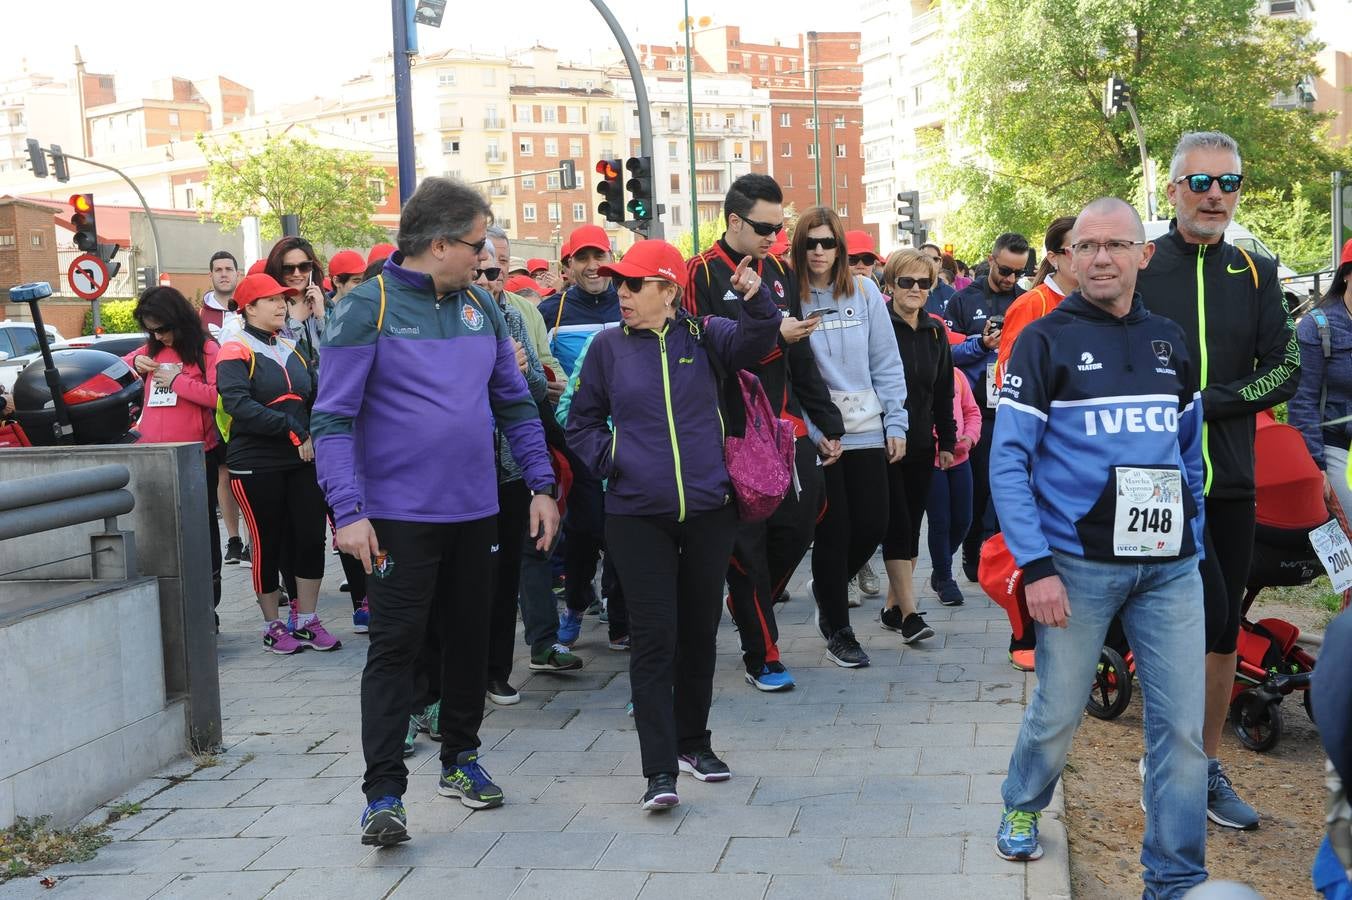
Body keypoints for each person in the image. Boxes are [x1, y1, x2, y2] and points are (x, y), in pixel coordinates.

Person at [312, 176, 558, 845]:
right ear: (441, 242)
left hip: (477, 511)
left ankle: (462, 760)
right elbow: (332, 420)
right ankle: (384, 794)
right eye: (476, 244)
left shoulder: (481, 305)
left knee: (472, 643)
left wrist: (541, 484)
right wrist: (349, 511)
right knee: (395, 648)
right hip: (396, 519)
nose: (485, 257)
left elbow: (513, 404)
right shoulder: (369, 306)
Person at [991, 197, 1208, 898]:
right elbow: (1008, 463)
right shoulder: (1043, 340)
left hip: (1170, 569)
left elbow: (1188, 451)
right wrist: (1037, 567)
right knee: (1057, 709)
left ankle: (1173, 879)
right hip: (1076, 568)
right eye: (1087, 246)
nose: (1102, 258)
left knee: (1181, 733)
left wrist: (1195, 540)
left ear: (1144, 254)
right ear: (1067, 257)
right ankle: (1023, 803)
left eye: (1117, 245)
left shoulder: (1171, 340)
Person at [566, 239, 780, 810]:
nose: (622, 293)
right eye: (620, 284)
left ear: (667, 290)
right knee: (654, 640)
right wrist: (613, 460)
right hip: (636, 517)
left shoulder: (706, 336)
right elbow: (580, 421)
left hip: (710, 512)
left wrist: (755, 300)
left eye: (634, 284)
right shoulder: (606, 348)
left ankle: (694, 744)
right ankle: (658, 769)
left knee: (699, 636)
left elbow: (760, 340)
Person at [1138, 131, 1299, 832]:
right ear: (1173, 189)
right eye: (1200, 182)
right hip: (1149, 479)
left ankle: (1201, 768)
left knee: (1221, 627)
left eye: (1228, 184)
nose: (1214, 196)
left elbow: (1285, 367)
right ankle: (1161, 764)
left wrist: (1212, 403)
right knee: (1159, 624)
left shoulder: (1258, 271)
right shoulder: (1141, 265)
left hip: (1229, 478)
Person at [683, 173, 844, 691]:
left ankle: (750, 601)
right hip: (729, 431)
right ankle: (763, 652)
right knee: (745, 546)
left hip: (785, 425)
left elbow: (801, 354)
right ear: (734, 221)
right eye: (765, 228)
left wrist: (826, 422)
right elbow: (702, 350)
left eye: (781, 227)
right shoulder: (701, 273)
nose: (775, 238)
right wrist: (771, 332)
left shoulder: (780, 270)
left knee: (804, 521)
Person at [794, 206, 908, 669]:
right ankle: (838, 631)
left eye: (828, 242)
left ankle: (826, 585)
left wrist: (896, 421)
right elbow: (795, 375)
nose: (819, 251)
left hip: (868, 430)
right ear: (799, 247)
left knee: (875, 524)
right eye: (811, 242)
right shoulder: (791, 299)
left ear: (840, 248)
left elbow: (885, 361)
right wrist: (817, 432)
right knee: (834, 530)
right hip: (823, 436)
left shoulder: (863, 293)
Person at [475, 233, 583, 708]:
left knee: (528, 554)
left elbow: (539, 388)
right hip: (465, 472)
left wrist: (521, 373)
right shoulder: (446, 319)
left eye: (495, 271)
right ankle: (454, 678)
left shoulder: (515, 315)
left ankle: (510, 662)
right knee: (478, 573)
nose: (486, 280)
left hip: (515, 464)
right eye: (478, 270)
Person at [217, 273, 337, 655]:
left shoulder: (291, 346)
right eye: (270, 300)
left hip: (302, 458)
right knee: (267, 543)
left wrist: (314, 430)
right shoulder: (234, 348)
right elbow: (238, 404)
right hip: (255, 461)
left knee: (309, 537)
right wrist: (291, 429)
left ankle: (306, 621)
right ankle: (272, 625)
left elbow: (313, 396)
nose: (281, 305)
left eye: (284, 299)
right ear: (248, 308)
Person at [990, 215, 1078, 671]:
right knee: (1033, 543)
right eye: (1075, 248)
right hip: (1040, 443)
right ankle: (1021, 633)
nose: (1089, 257)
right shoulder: (1034, 304)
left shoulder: (1099, 302)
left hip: (1081, 451)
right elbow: (1006, 373)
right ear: (1054, 257)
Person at [537, 224, 625, 648]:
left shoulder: (628, 299)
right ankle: (574, 604)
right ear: (566, 266)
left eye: (599, 256)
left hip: (630, 437)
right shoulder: (550, 312)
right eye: (582, 258)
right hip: (578, 438)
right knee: (587, 530)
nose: (593, 266)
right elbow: (538, 369)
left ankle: (620, 616)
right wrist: (550, 384)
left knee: (624, 529)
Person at [124, 287, 223, 620]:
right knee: (159, 532)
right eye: (152, 330)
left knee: (201, 529)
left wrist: (178, 381)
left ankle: (207, 604)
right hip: (151, 455)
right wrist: (136, 362)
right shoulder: (153, 349)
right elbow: (119, 368)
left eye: (163, 328)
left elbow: (219, 397)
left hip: (196, 455)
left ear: (178, 320)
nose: (159, 336)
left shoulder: (207, 350)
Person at [945, 232, 1030, 583]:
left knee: (1008, 484)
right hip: (976, 408)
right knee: (979, 485)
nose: (1010, 279)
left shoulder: (1026, 301)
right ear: (990, 260)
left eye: (1018, 272)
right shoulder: (962, 301)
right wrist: (980, 345)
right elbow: (946, 354)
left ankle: (994, 547)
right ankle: (970, 544)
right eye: (1005, 270)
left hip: (1014, 404)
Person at [880, 249, 956, 642]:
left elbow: (944, 390)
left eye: (923, 283)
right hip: (883, 441)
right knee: (897, 523)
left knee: (911, 524)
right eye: (906, 282)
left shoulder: (936, 331)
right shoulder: (879, 326)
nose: (915, 289)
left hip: (923, 441)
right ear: (890, 285)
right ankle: (910, 614)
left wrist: (948, 439)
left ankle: (893, 607)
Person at [1289, 239, 1352, 519]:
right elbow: (1302, 400)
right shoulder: (1318, 326)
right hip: (1335, 444)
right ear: (1347, 274)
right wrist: (1316, 464)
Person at [199, 250, 248, 568]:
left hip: (246, 399)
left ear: (237, 273)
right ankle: (233, 539)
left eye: (229, 268)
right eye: (217, 269)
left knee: (247, 473)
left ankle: (253, 539)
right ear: (211, 275)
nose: (223, 274)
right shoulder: (199, 316)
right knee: (224, 472)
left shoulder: (250, 305)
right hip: (215, 406)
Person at [927, 365, 982, 606]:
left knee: (963, 520)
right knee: (940, 521)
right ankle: (945, 578)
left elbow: (972, 412)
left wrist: (969, 438)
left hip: (961, 457)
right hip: (932, 459)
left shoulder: (958, 375)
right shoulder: (920, 373)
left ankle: (941, 566)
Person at [920, 243, 956, 316]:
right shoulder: (911, 291)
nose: (931, 262)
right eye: (926, 258)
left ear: (940, 263)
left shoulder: (952, 294)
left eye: (935, 259)